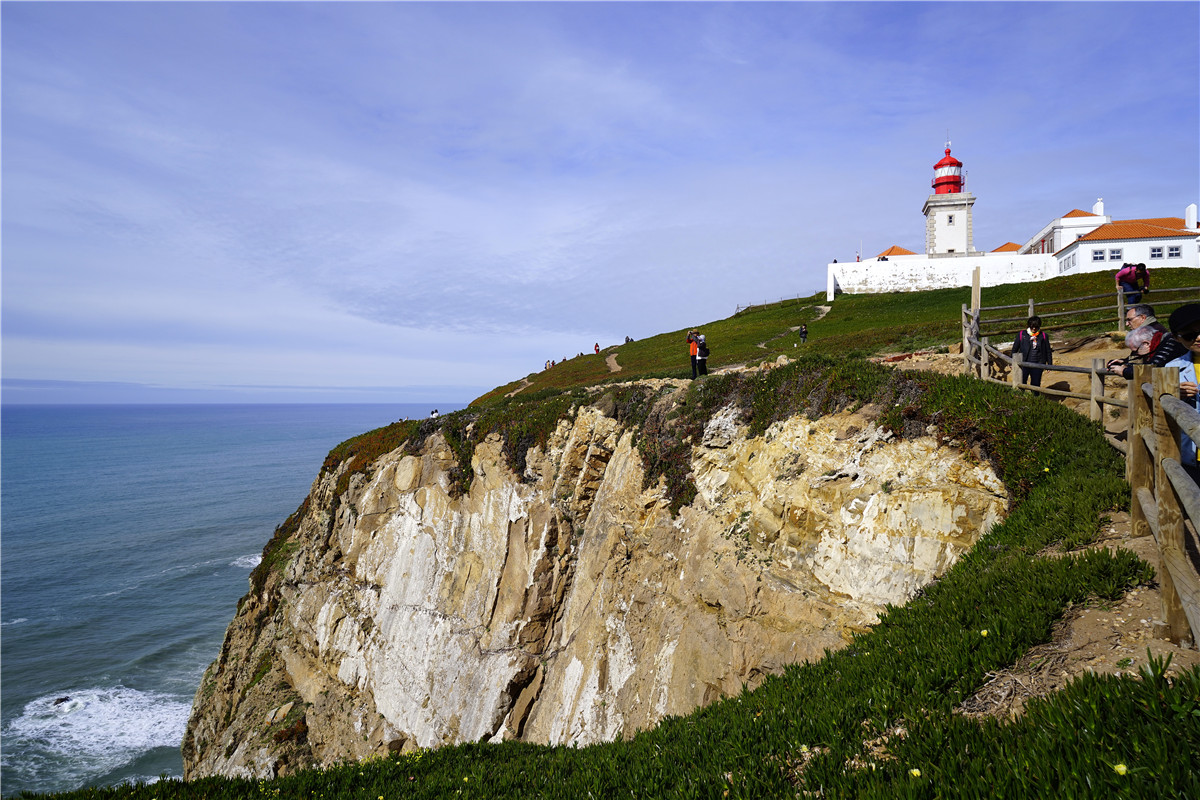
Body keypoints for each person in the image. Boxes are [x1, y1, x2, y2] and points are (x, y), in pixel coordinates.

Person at [1106, 303, 1186, 379]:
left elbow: (1153, 367)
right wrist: (1126, 362)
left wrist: (1125, 371)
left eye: (1129, 320)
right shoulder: (1153, 333)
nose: (1127, 324)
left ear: (1142, 318)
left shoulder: (1154, 334)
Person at [1165, 303, 1200, 472]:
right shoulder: (1172, 369)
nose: (1198, 338)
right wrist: (1173, 396)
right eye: (1189, 335)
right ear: (1176, 338)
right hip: (1191, 455)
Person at [1013, 315, 1052, 388]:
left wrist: (1049, 364)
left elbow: (1048, 350)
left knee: (1036, 384)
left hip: (1038, 364)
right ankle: (1020, 395)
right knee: (1021, 382)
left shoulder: (1043, 336)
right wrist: (1011, 362)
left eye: (1036, 327)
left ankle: (1035, 395)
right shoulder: (1021, 334)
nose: (1034, 328)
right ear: (1029, 326)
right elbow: (1015, 348)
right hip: (1024, 363)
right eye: (1032, 327)